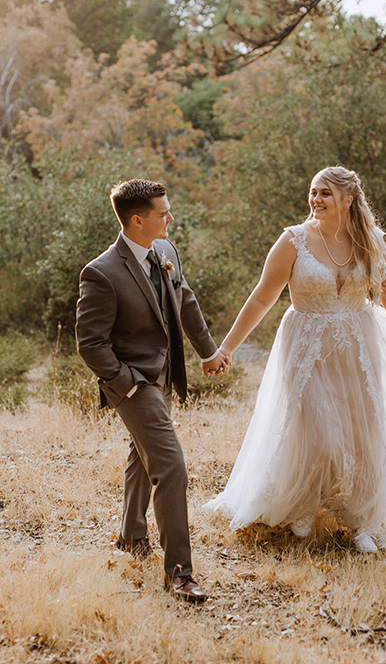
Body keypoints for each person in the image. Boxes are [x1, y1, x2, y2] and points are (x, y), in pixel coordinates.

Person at [205, 165, 386, 554]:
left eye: (324, 193)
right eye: (313, 192)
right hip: (307, 347)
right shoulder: (293, 241)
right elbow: (261, 298)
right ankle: (303, 504)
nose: (315, 199)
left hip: (357, 348)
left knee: (364, 435)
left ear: (348, 200)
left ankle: (361, 522)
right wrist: (227, 347)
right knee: (319, 434)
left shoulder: (370, 241)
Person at [76, 179, 230, 601]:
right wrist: (125, 385)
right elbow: (89, 343)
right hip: (133, 382)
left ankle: (130, 534)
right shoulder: (102, 272)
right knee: (171, 465)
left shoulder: (165, 252)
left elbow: (186, 301)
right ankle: (179, 572)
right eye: (164, 213)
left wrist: (208, 352)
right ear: (137, 219)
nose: (171, 218)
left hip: (164, 374)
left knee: (141, 457)